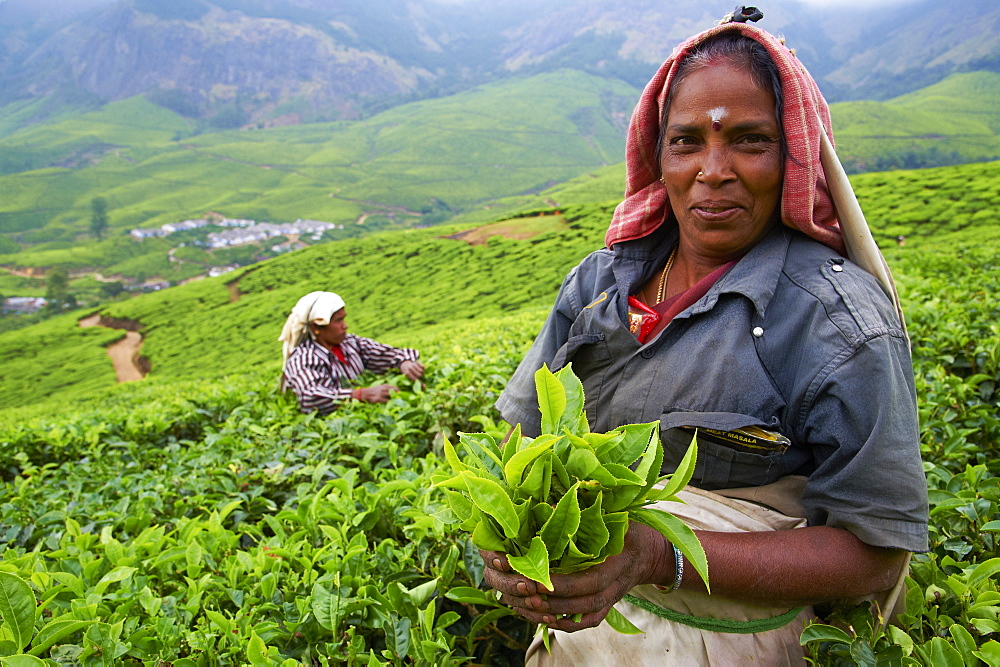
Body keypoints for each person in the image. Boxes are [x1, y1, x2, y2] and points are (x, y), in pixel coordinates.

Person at [485, 12, 928, 666]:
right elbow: (519, 448)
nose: (712, 170)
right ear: (658, 155)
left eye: (750, 140)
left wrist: (659, 555)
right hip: (581, 642)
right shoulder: (598, 286)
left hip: (731, 645)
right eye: (687, 141)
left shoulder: (835, 320)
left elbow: (873, 553)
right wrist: (508, 545)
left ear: (793, 154)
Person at [278, 291, 424, 414]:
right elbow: (310, 397)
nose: (345, 326)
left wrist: (404, 362)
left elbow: (384, 353)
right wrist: (360, 395)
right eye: (338, 321)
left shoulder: (350, 343)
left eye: (344, 318)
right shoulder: (305, 358)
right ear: (317, 327)